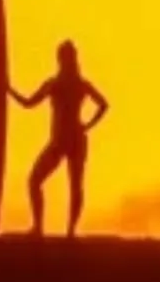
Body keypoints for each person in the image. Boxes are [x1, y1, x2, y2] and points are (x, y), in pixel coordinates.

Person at [9, 40, 108, 238]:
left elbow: (28, 103)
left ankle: (59, 230)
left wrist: (88, 125)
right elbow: (103, 105)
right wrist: (9, 90)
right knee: (46, 182)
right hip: (69, 139)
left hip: (66, 140)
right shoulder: (73, 84)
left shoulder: (59, 84)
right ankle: (54, 229)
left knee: (55, 183)